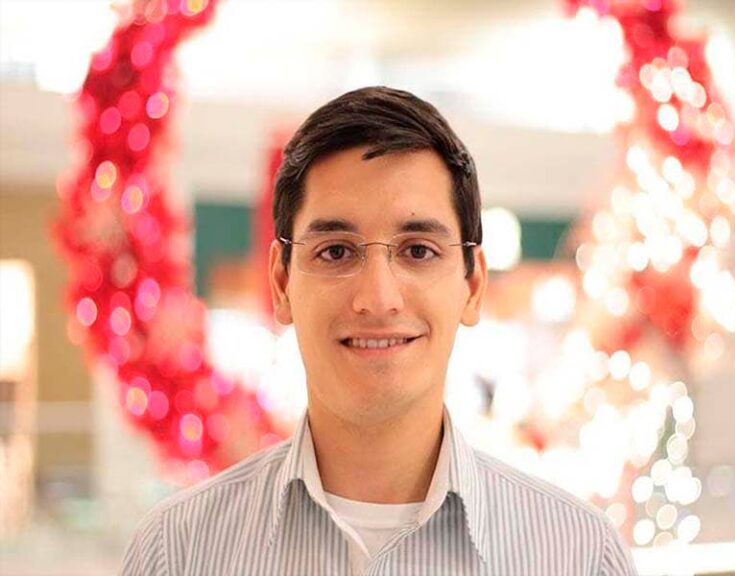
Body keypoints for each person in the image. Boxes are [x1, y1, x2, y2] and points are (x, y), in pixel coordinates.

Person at [120, 86, 637, 576]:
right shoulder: (179, 552)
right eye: (336, 252)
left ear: (472, 284)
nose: (378, 298)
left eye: (418, 251)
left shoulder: (577, 554)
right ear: (281, 282)